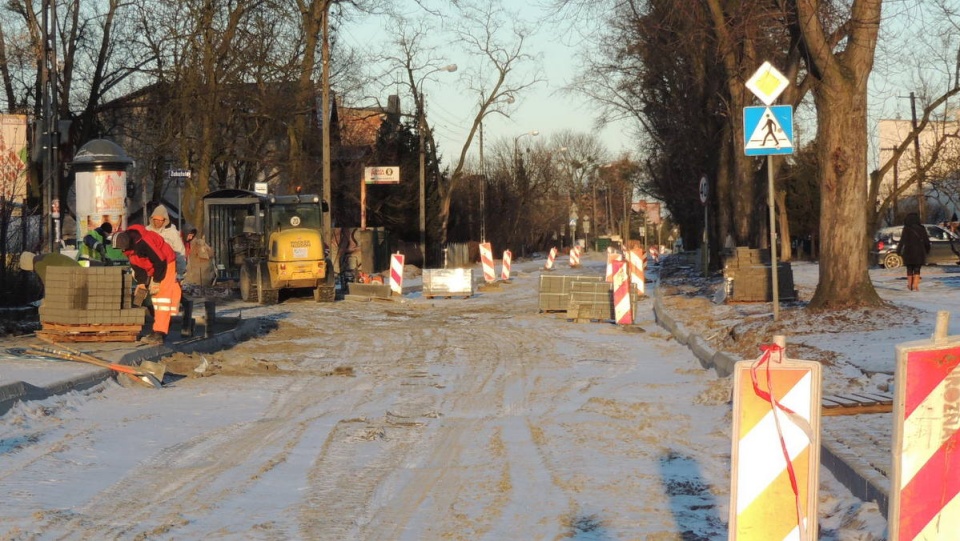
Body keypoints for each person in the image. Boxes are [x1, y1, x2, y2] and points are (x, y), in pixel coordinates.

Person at [114, 224, 182, 344]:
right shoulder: (130, 248)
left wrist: (156, 281)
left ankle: (159, 333)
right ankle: (160, 327)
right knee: (155, 299)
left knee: (162, 299)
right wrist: (141, 283)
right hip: (152, 267)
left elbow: (160, 261)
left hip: (166, 264)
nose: (122, 251)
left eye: (122, 248)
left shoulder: (145, 242)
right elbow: (137, 266)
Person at [146, 204, 187, 280]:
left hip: (169, 268)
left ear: (165, 220)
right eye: (155, 219)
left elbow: (179, 251)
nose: (157, 222)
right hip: (150, 269)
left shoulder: (172, 233)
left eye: (160, 220)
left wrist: (180, 271)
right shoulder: (147, 231)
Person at [896, 212, 930, 292]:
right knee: (917, 268)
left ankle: (910, 285)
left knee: (909, 268)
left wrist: (898, 250)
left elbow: (902, 241)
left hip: (908, 252)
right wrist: (927, 249)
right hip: (919, 252)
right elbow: (926, 241)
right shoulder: (922, 228)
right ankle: (915, 285)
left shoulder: (906, 229)